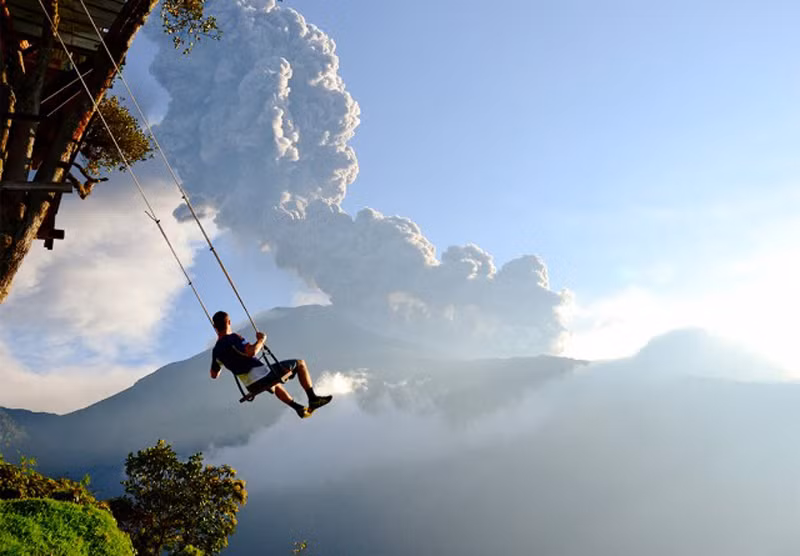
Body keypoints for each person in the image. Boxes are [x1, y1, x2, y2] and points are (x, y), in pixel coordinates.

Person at [209, 311, 332, 419]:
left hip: (251, 385)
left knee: (275, 384)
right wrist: (261, 340)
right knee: (300, 364)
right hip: (262, 376)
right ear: (229, 322)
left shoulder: (216, 351)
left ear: (215, 327)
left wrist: (226, 361)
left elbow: (214, 375)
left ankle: (298, 408)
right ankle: (313, 399)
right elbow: (251, 352)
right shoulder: (233, 338)